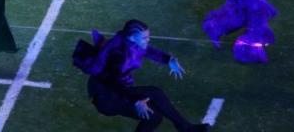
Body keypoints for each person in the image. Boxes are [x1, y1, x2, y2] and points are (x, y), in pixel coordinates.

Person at [76, 19, 208, 132]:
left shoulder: (128, 42)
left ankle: (185, 128)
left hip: (117, 89)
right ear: (132, 37)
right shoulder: (118, 54)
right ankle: (185, 128)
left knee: (154, 115)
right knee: (154, 100)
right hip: (107, 96)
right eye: (144, 38)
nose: (148, 40)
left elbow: (147, 50)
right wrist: (135, 101)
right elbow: (112, 83)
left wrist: (168, 60)